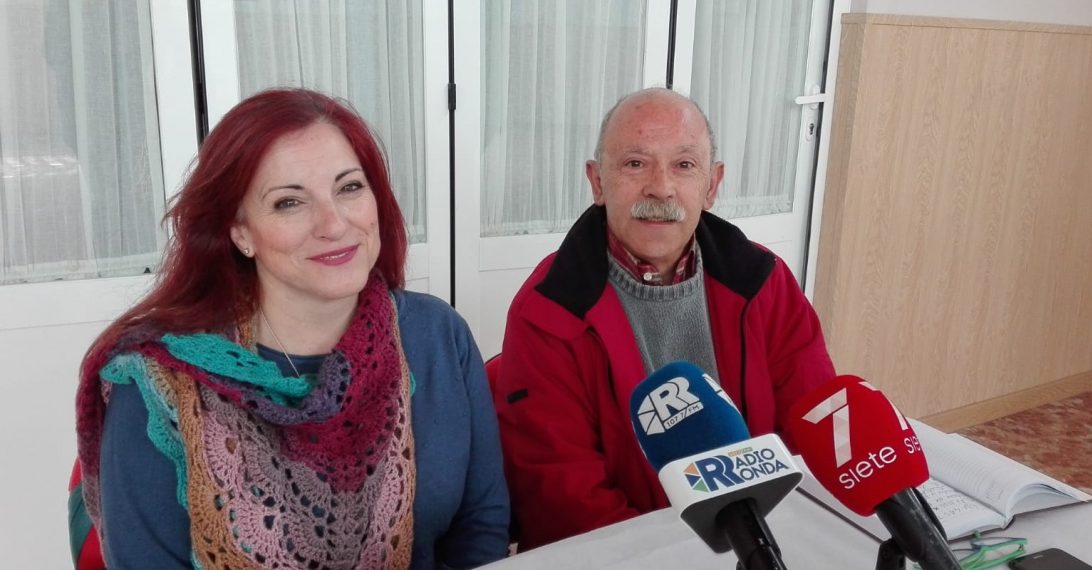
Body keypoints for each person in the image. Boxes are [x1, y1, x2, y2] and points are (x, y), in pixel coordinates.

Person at [74, 88, 509, 569]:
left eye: (349, 188)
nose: (334, 224)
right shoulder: (159, 385)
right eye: (288, 202)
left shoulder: (438, 335)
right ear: (240, 232)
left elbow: (482, 523)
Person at [493, 87, 836, 550]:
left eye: (684, 165)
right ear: (597, 182)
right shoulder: (548, 309)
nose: (660, 187)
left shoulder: (762, 282)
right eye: (635, 163)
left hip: (767, 540)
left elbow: (811, 427)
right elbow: (565, 500)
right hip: (625, 554)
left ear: (712, 185)